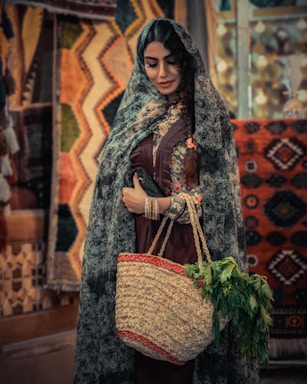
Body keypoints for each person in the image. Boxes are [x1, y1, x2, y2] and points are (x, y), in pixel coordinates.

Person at [74, 18, 259, 384]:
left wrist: (154, 206)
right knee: (140, 350)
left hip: (189, 251)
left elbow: (219, 203)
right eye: (151, 62)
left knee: (182, 350)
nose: (162, 73)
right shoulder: (135, 116)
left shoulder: (207, 118)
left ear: (188, 60)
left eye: (171, 61)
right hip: (138, 247)